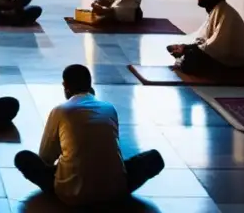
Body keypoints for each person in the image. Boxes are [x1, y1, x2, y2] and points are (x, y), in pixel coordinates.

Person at [14, 64, 164, 206]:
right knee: (153, 158)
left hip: (70, 194)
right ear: (90, 85)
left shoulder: (61, 111)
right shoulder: (109, 108)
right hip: (115, 191)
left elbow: (45, 157)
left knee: (23, 158)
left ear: (65, 87)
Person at [167, 0, 244, 73]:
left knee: (190, 59)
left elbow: (217, 48)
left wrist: (186, 50)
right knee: (187, 53)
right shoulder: (217, 10)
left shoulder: (224, 13)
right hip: (221, 56)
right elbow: (205, 40)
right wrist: (186, 47)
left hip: (232, 62)